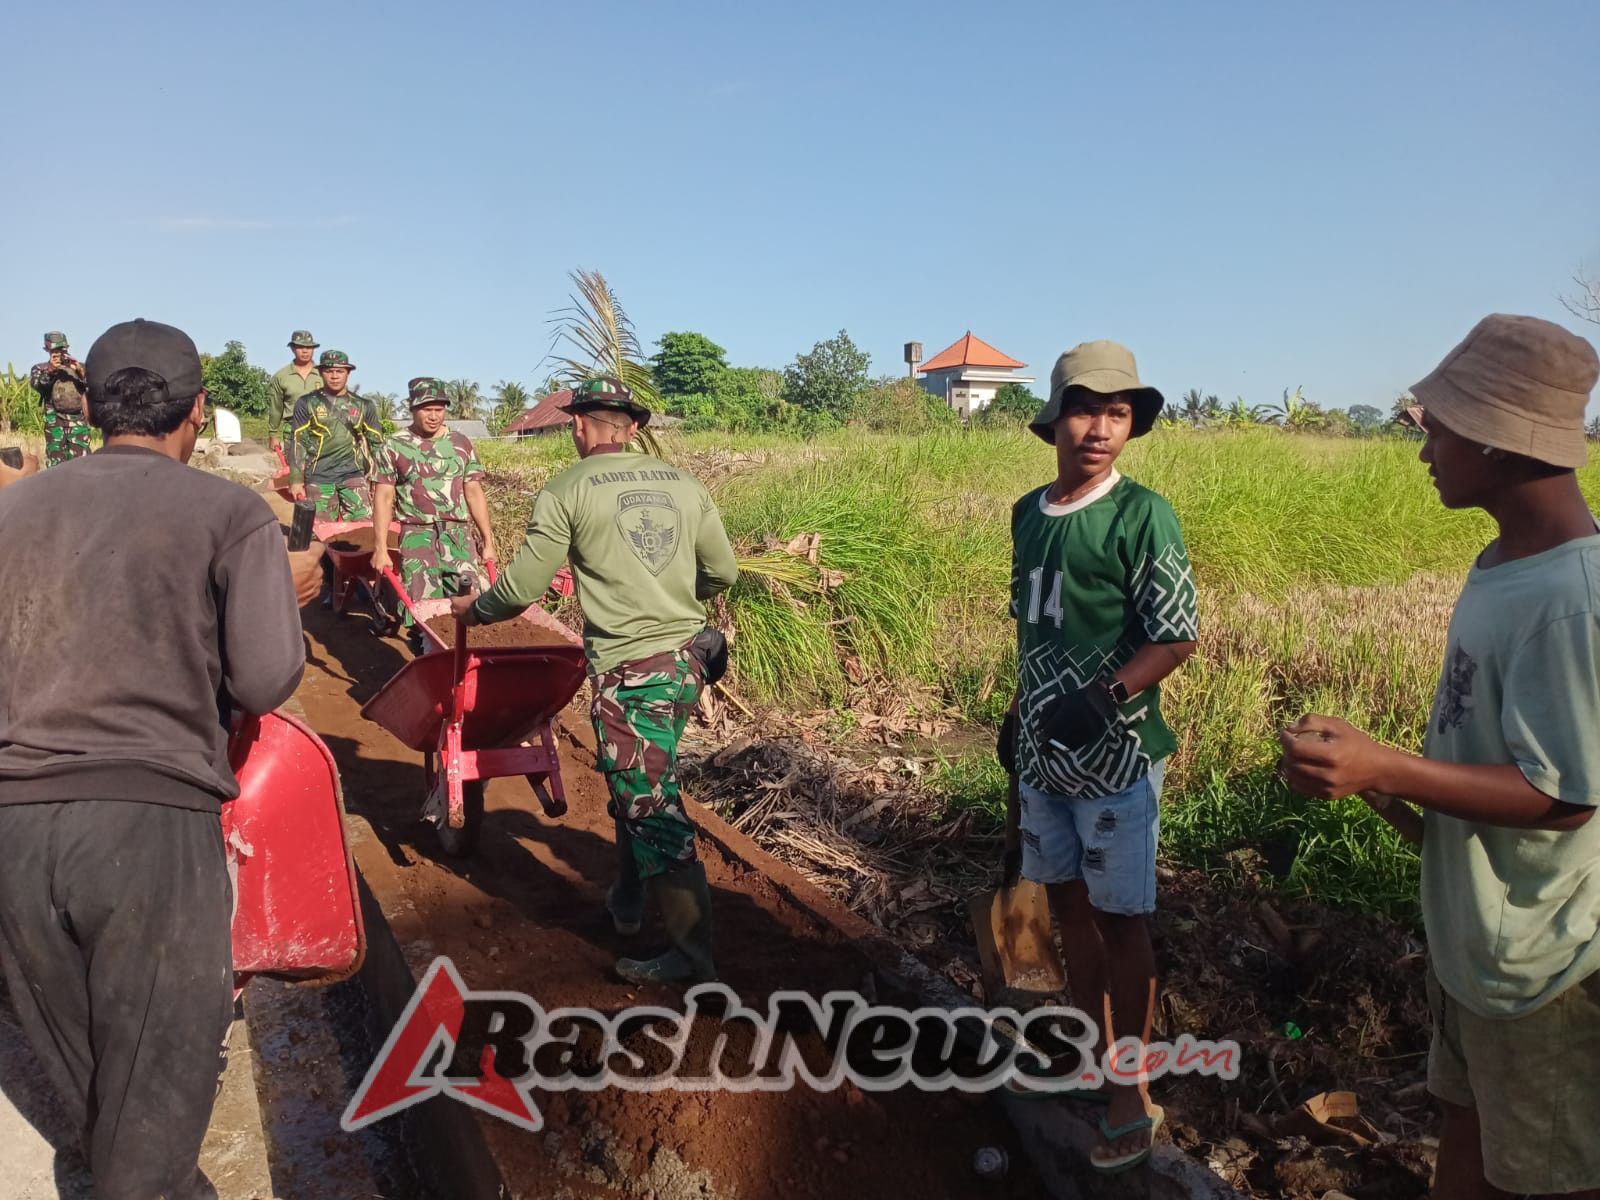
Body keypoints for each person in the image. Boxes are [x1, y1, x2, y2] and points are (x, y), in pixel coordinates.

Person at [0, 318, 324, 1200]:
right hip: (149, 826)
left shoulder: (10, 509)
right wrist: (287, 598)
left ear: (94, 408)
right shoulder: (226, 511)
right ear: (198, 410)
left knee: (89, 1080)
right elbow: (262, 679)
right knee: (154, 1089)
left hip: (14, 831)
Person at [1280, 314, 1600, 1200]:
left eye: (1440, 427)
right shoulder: (1501, 563)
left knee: (1545, 1173)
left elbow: (1568, 793)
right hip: (1477, 943)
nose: (1424, 449)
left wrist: (1387, 767)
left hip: (1544, 967)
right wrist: (1371, 780)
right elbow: (1487, 748)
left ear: (1499, 443)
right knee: (1466, 1129)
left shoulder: (1574, 599)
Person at [451, 376, 739, 984]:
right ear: (631, 428)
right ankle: (629, 905)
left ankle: (693, 961)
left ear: (579, 426)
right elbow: (723, 569)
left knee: (649, 802)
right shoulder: (685, 484)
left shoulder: (566, 488)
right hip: (687, 661)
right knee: (637, 782)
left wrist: (473, 610)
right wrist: (678, 599)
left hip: (632, 672)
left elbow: (524, 588)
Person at [998, 341, 1198, 1174]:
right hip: (1046, 760)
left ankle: (1130, 1090)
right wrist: (1017, 715)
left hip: (1114, 761)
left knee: (1121, 920)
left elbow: (1176, 636)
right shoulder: (1027, 513)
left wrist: (1106, 696)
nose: (1100, 428)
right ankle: (1088, 1054)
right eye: (1086, 409)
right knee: (1067, 908)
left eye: (1118, 414)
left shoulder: (1141, 513)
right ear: (1054, 418)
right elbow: (1032, 629)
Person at [372, 376, 497, 654]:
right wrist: (380, 548)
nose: (433, 415)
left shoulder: (461, 443)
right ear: (412, 408)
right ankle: (430, 659)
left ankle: (466, 662)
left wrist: (488, 541)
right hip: (417, 535)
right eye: (426, 408)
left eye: (439, 408)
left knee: (469, 599)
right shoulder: (394, 445)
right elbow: (383, 497)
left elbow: (474, 492)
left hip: (457, 535)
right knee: (424, 608)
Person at [286, 348, 382, 521]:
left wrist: (384, 479)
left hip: (353, 476)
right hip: (319, 477)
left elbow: (377, 444)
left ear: (348, 373)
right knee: (319, 532)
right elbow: (297, 442)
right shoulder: (306, 403)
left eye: (340, 371)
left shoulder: (364, 405)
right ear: (321, 373)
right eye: (329, 371)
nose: (335, 376)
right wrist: (295, 479)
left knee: (363, 529)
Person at [29, 331, 93, 467]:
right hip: (55, 422)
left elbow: (93, 385)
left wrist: (80, 372)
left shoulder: (77, 367)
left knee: (82, 464)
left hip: (78, 422)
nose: (59, 353)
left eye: (61, 349)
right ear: (47, 350)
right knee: (56, 464)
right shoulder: (40, 369)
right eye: (55, 350)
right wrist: (51, 370)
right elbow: (38, 385)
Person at [267, 330, 323, 456]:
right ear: (292, 348)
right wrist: (273, 435)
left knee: (321, 472)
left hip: (321, 429)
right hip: (293, 429)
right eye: (300, 347)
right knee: (295, 471)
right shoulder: (281, 376)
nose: (305, 351)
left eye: (309, 347)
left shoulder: (324, 374)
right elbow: (276, 408)